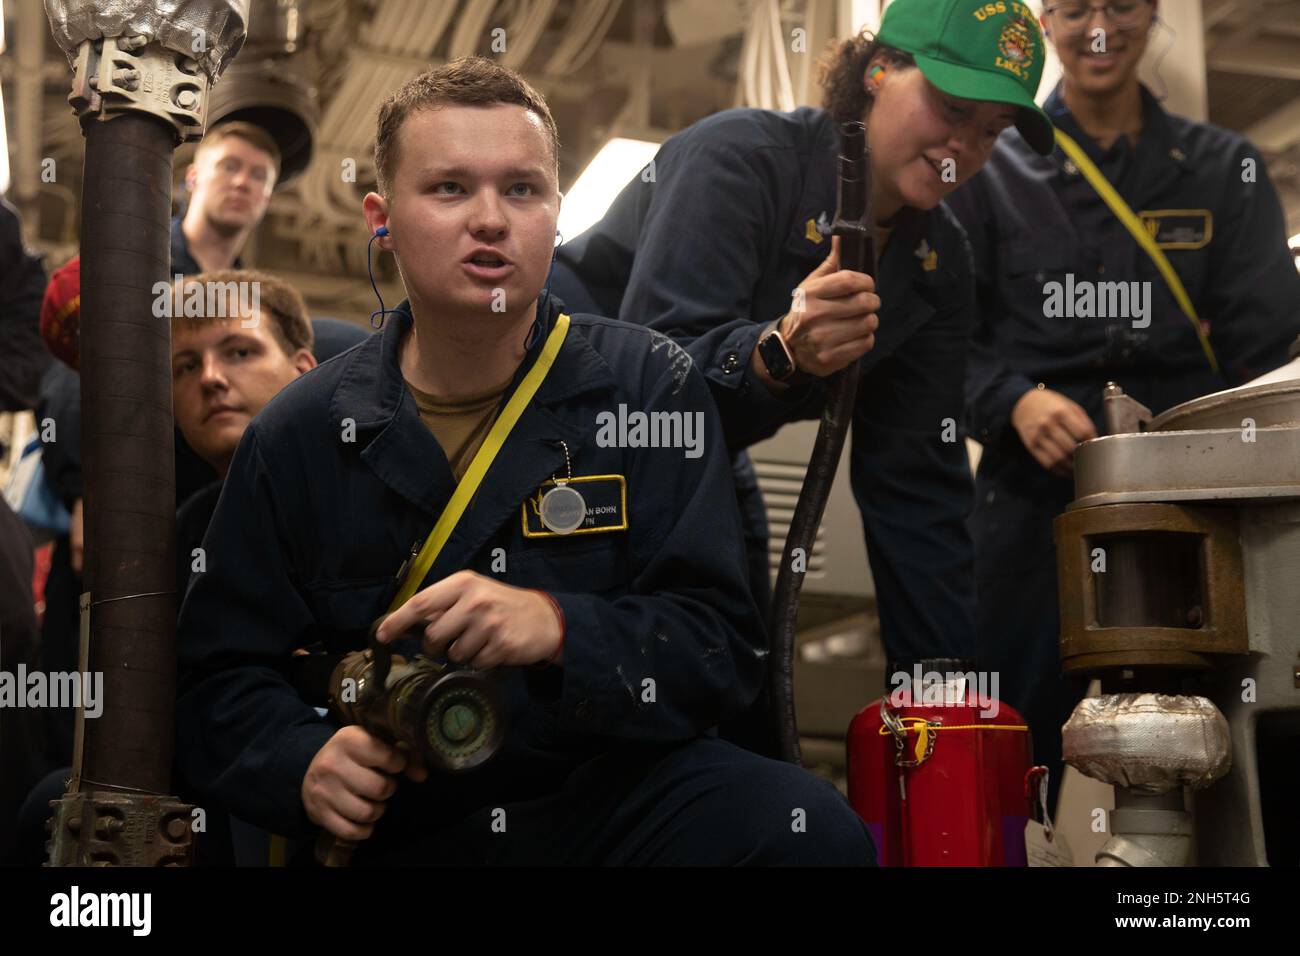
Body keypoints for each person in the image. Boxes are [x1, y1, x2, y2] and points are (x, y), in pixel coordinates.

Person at [175, 56, 874, 866]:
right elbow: (215, 679)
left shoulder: (649, 387)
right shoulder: (297, 434)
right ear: (381, 218)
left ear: (555, 213)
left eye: (522, 190)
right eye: (448, 189)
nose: (490, 219)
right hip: (410, 816)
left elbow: (719, 652)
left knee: (800, 825)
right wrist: (302, 763)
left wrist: (560, 626)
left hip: (609, 801)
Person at [551, 0, 1058, 748]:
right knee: (640, 689)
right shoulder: (741, 157)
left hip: (709, 447)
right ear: (877, 72)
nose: (965, 146)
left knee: (741, 684)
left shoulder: (937, 262)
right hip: (569, 428)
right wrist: (777, 354)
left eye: (992, 131)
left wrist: (945, 707)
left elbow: (917, 490)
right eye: (951, 107)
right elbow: (652, 395)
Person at [945, 0, 1300, 812]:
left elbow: (1269, 347)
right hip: (1036, 498)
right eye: (1075, 10)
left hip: (1196, 501)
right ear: (1043, 22)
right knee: (1011, 728)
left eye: (1121, 6)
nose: (1099, 30)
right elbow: (939, 338)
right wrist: (1012, 399)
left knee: (1231, 716)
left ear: (1150, 17)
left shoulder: (1223, 169)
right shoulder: (990, 170)